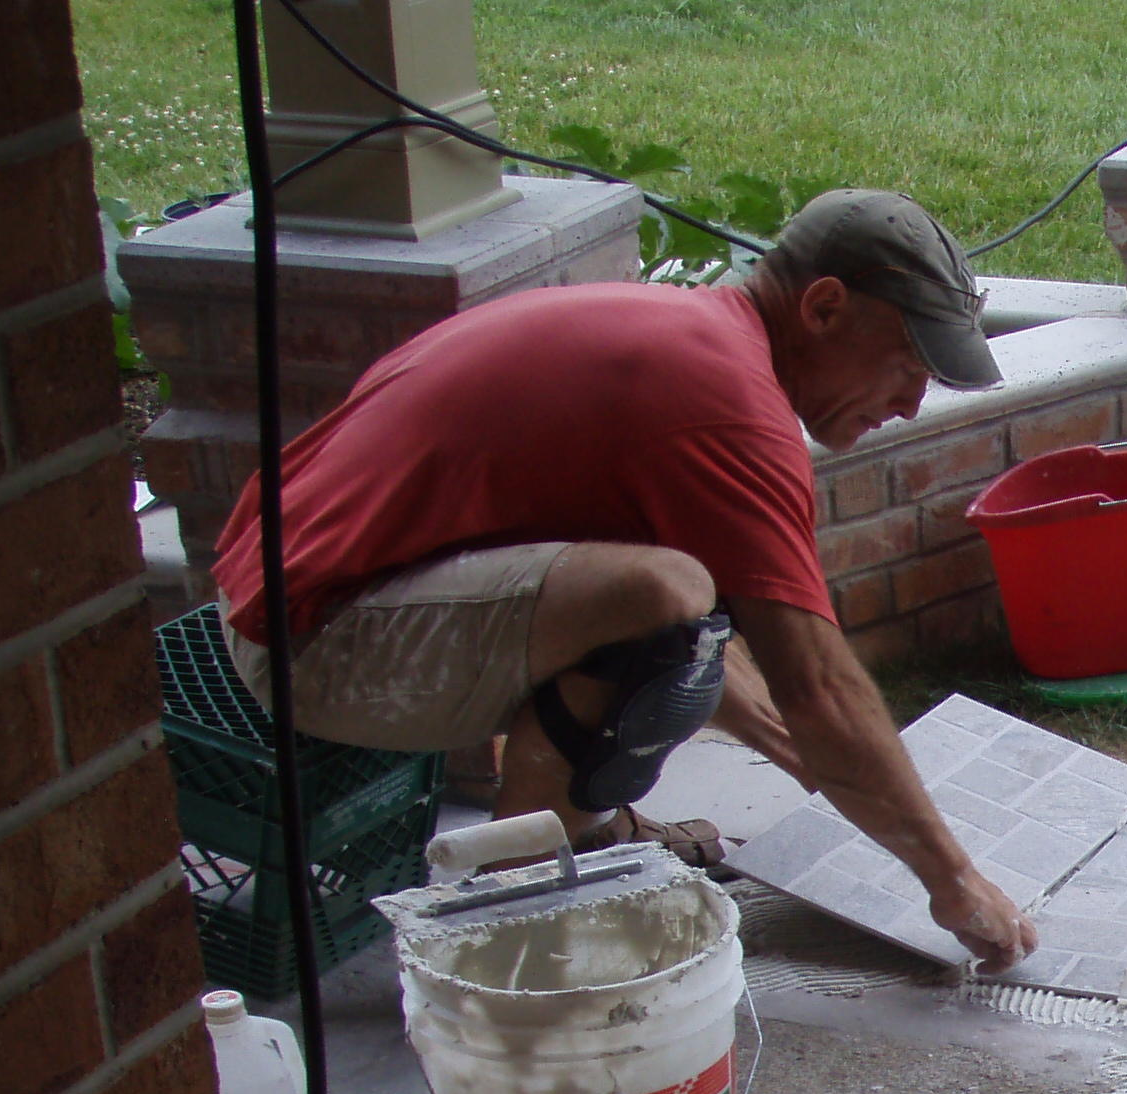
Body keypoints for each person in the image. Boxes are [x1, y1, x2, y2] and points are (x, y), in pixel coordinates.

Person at [211, 188, 1041, 972]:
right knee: (666, 605)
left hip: (315, 586)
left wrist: (821, 768)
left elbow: (783, 694)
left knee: (681, 605)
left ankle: (597, 830)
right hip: (314, 640)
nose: (909, 405)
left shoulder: (695, 339)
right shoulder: (729, 406)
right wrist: (951, 880)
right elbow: (814, 683)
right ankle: (517, 928)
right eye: (907, 365)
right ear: (822, 308)